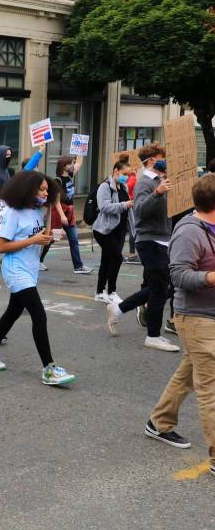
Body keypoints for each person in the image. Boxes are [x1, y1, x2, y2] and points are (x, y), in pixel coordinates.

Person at [0, 171, 77, 386]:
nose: (44, 193)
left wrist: (48, 227)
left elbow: (43, 237)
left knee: (12, 312)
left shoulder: (37, 211)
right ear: (27, 189)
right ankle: (49, 368)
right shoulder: (14, 213)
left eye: (46, 190)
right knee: (39, 315)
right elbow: (1, 246)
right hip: (16, 270)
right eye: (41, 189)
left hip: (31, 270)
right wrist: (32, 239)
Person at [143, 174, 215, 466]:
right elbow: (179, 275)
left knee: (188, 372)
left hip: (210, 315)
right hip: (195, 318)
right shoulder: (189, 231)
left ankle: (159, 422)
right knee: (210, 387)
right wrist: (210, 277)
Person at [106, 144, 179, 352]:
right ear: (151, 160)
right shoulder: (144, 182)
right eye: (161, 157)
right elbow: (139, 210)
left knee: (163, 286)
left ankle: (119, 309)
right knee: (159, 288)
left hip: (163, 239)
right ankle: (153, 335)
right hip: (149, 240)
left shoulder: (161, 180)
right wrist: (157, 193)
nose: (165, 160)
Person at [39, 156, 92, 274]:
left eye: (72, 163)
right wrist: (62, 216)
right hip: (59, 212)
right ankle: (38, 260)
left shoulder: (69, 176)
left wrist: (80, 151)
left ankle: (78, 266)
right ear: (64, 166)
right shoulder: (58, 180)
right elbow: (56, 201)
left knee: (74, 239)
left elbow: (79, 163)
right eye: (70, 164)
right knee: (51, 238)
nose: (73, 165)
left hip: (70, 212)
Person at [92, 161, 133, 303]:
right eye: (125, 174)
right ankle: (111, 291)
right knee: (117, 257)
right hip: (104, 230)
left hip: (119, 230)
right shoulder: (105, 186)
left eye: (128, 175)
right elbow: (104, 206)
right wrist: (124, 205)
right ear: (116, 171)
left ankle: (99, 292)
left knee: (107, 260)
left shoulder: (124, 186)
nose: (127, 177)